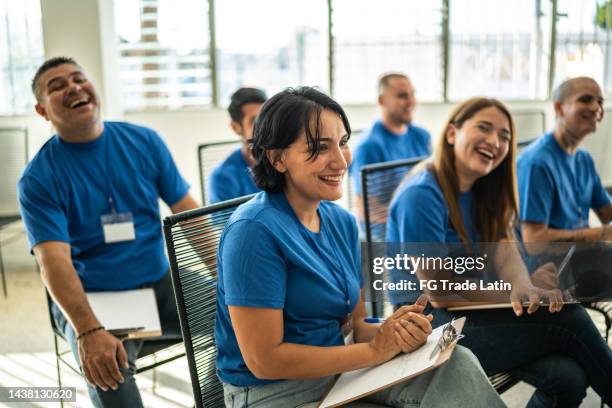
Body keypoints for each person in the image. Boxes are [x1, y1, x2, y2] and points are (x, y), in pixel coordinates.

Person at [215, 87, 504, 407]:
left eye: (342, 143)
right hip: (276, 392)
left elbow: (358, 325)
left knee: (456, 362)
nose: (340, 161)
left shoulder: (341, 222)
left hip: (339, 370)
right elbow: (264, 360)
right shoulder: (253, 231)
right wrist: (373, 351)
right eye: (319, 147)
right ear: (277, 158)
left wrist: (395, 331)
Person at [387, 97, 612, 406]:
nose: (495, 141)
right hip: (426, 327)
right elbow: (442, 293)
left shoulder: (486, 187)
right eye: (484, 128)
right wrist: (516, 293)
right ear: (452, 134)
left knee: (567, 377)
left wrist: (524, 285)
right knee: (570, 318)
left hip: (471, 311)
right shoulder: (421, 195)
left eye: (504, 136)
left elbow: (505, 249)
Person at [18, 56, 199, 408]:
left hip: (159, 280)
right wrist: (87, 329)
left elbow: (189, 216)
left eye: (78, 78)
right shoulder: (39, 178)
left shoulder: (144, 141)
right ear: (43, 111)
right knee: (108, 372)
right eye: (57, 86)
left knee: (238, 314)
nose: (72, 87)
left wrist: (229, 280)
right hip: (93, 298)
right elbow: (53, 263)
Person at [350, 73, 432, 235]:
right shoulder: (368, 147)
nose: (411, 102)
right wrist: (413, 218)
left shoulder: (422, 136)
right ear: (382, 101)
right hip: (387, 236)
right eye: (402, 96)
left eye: (412, 94)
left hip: (421, 224)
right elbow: (366, 210)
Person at [209, 87, 267, 203]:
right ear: (235, 127)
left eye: (267, 119)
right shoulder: (223, 178)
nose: (264, 127)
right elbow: (227, 221)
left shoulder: (284, 163)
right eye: (254, 121)